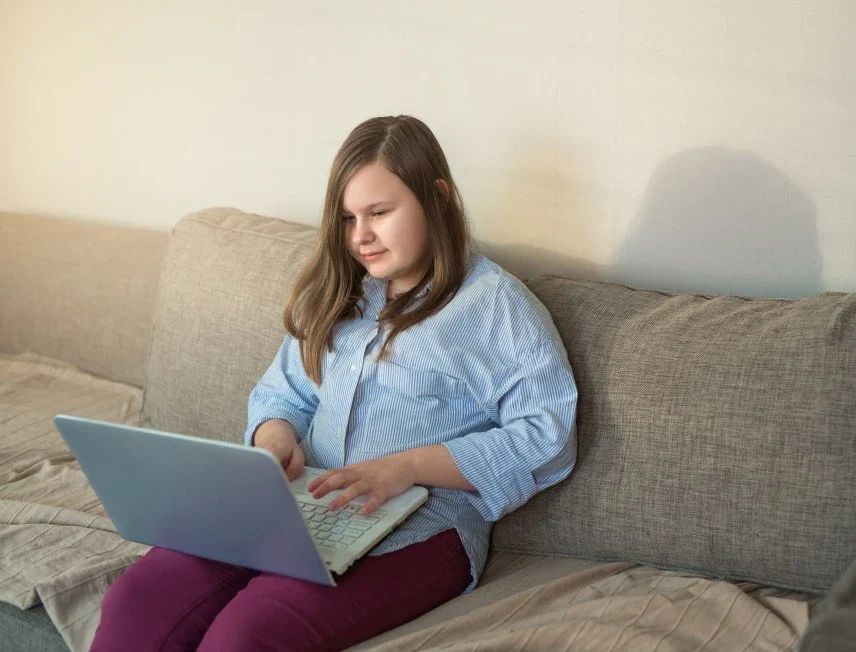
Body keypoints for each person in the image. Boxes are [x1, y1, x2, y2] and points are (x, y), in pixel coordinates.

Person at [90, 115, 578, 652]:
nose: (359, 236)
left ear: (436, 198)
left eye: (379, 213)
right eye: (347, 218)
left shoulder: (494, 306)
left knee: (247, 632)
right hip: (298, 505)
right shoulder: (341, 293)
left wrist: (407, 468)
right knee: (136, 597)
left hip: (421, 527)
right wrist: (274, 441)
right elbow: (284, 394)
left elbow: (546, 437)